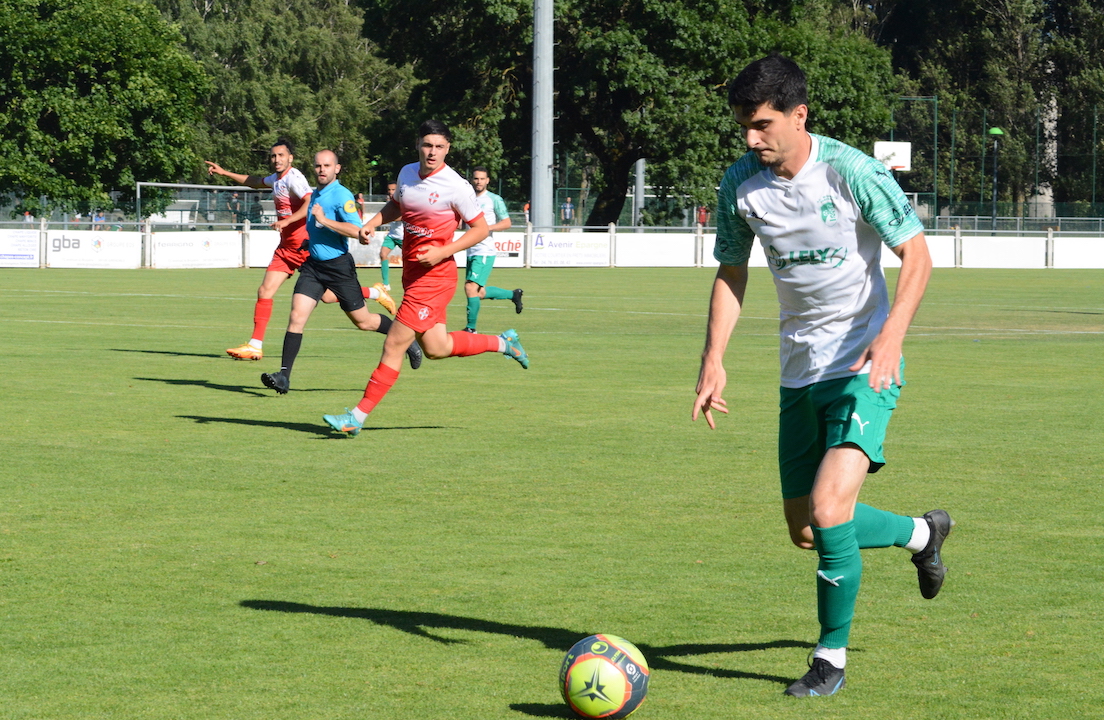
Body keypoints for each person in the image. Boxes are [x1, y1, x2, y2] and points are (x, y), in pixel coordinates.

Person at [691, 54, 952, 698]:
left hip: (866, 363)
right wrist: (713, 359)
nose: (752, 140)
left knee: (831, 506)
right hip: (797, 371)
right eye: (744, 128)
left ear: (798, 115)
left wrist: (891, 337)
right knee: (808, 530)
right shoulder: (739, 186)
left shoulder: (852, 171)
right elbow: (732, 271)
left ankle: (829, 659)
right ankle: (922, 533)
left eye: (762, 125)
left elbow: (917, 254)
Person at [323, 120, 528, 436]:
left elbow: (481, 229)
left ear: (448, 149)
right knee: (436, 347)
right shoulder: (406, 173)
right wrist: (373, 222)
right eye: (427, 145)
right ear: (418, 144)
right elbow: (398, 205)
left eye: (439, 147)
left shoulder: (456, 185)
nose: (432, 152)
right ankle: (504, 343)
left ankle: (356, 417)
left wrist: (443, 251)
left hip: (435, 278)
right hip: (413, 274)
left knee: (394, 345)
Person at [206, 139, 394, 361]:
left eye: (281, 156)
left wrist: (288, 221)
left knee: (328, 297)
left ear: (290, 158)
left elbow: (308, 202)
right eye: (273, 156)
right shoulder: (277, 179)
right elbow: (255, 181)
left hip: (305, 246)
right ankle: (255, 345)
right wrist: (225, 173)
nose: (276, 160)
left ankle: (374, 293)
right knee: (265, 291)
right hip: (286, 247)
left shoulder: (295, 178)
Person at [259, 150, 423, 395]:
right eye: (317, 166)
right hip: (313, 266)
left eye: (327, 165)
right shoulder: (315, 194)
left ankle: (406, 339)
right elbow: (315, 226)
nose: (321, 170)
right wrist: (310, 241)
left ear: (337, 168)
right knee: (296, 316)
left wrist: (324, 221)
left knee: (364, 322)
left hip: (338, 268)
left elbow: (356, 230)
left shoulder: (341, 195)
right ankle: (283, 377)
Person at [463, 166, 523, 332]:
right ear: (472, 180)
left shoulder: (494, 199)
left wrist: (485, 228)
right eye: (476, 178)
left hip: (484, 250)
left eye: (482, 179)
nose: (479, 182)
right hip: (471, 250)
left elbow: (507, 222)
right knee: (478, 292)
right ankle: (513, 294)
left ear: (488, 180)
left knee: (470, 288)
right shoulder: (467, 198)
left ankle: (471, 329)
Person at [378, 182, 403, 291]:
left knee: (412, 261)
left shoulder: (404, 202)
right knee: (383, 254)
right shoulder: (389, 204)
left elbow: (400, 217)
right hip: (392, 236)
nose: (390, 192)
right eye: (389, 190)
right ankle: (386, 284)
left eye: (393, 190)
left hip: (404, 237)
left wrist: (383, 219)